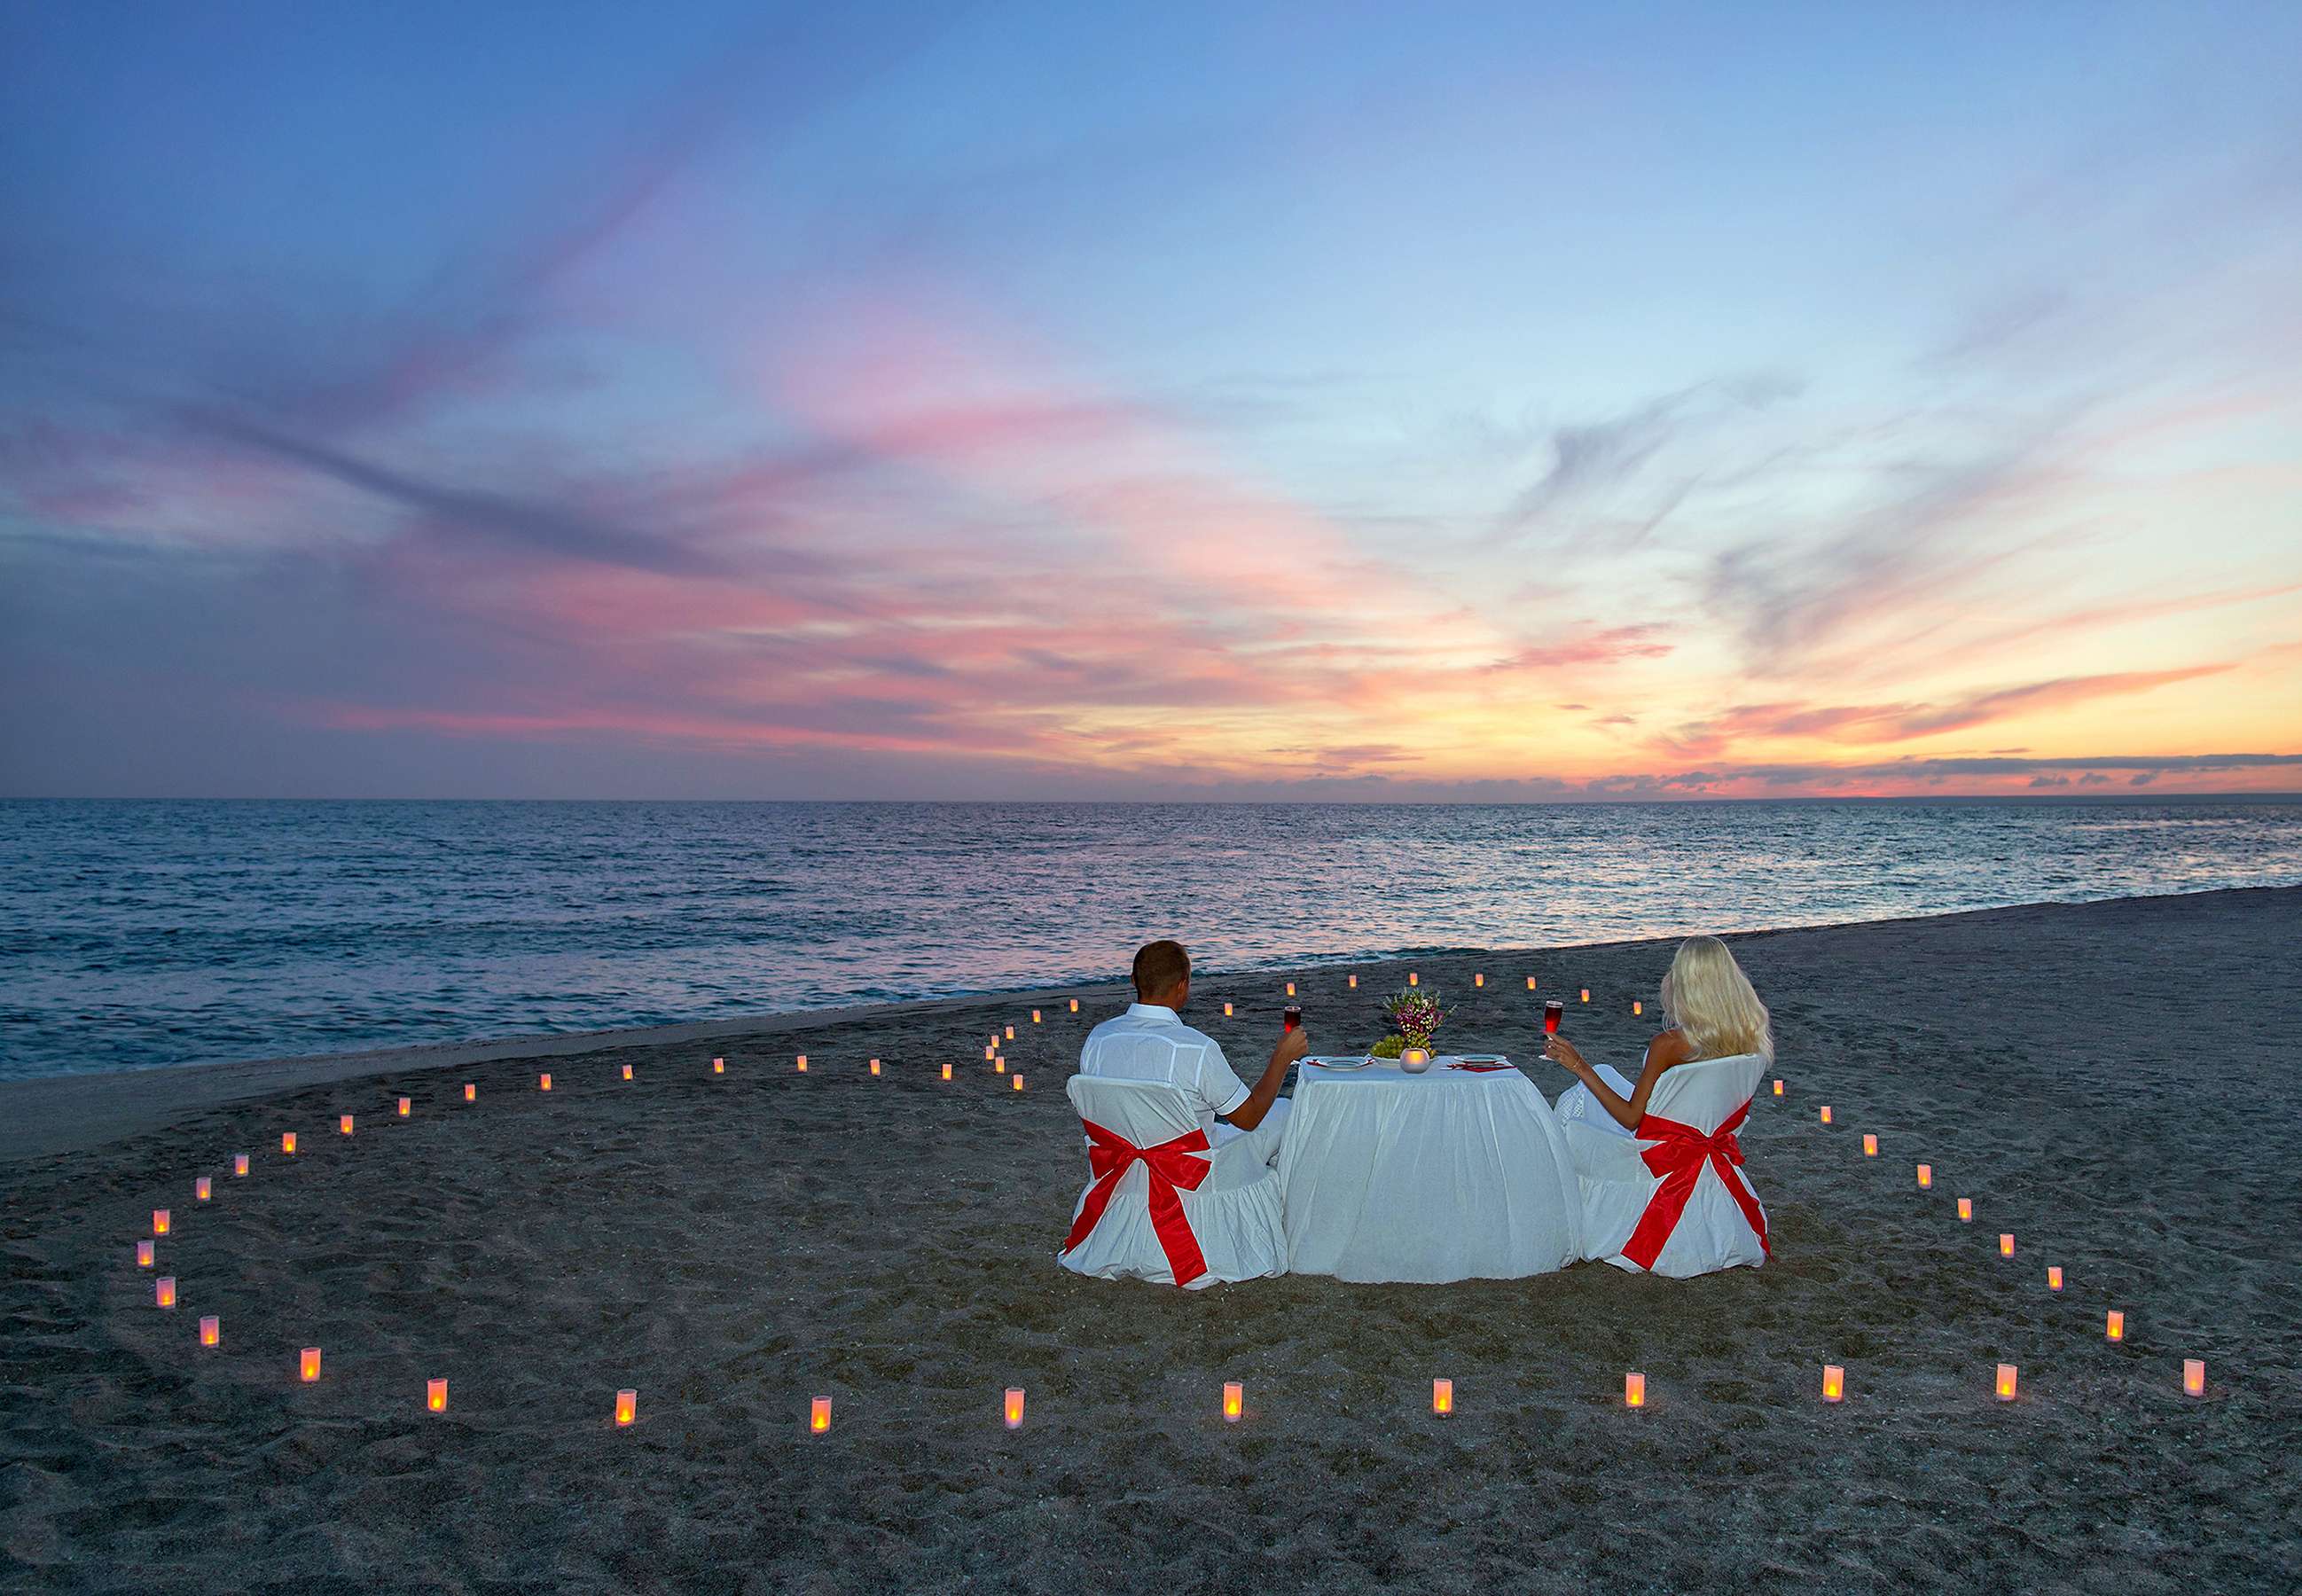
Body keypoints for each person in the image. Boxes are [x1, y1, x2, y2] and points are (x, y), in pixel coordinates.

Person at [1077, 938, 1307, 1169]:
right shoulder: (1196, 1049)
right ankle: (1270, 1192)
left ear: (1133, 980)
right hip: (1194, 1173)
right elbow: (1250, 1118)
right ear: (1182, 985)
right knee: (1285, 1111)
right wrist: (1281, 1058)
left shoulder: (1098, 1040)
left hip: (1125, 1164)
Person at [1544, 935, 1773, 1130]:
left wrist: (1578, 1065)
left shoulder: (1670, 1044)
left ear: (1685, 984)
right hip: (1702, 1130)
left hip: (1661, 1145)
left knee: (1578, 1099)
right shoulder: (1750, 1036)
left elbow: (1631, 1119)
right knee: (1604, 1072)